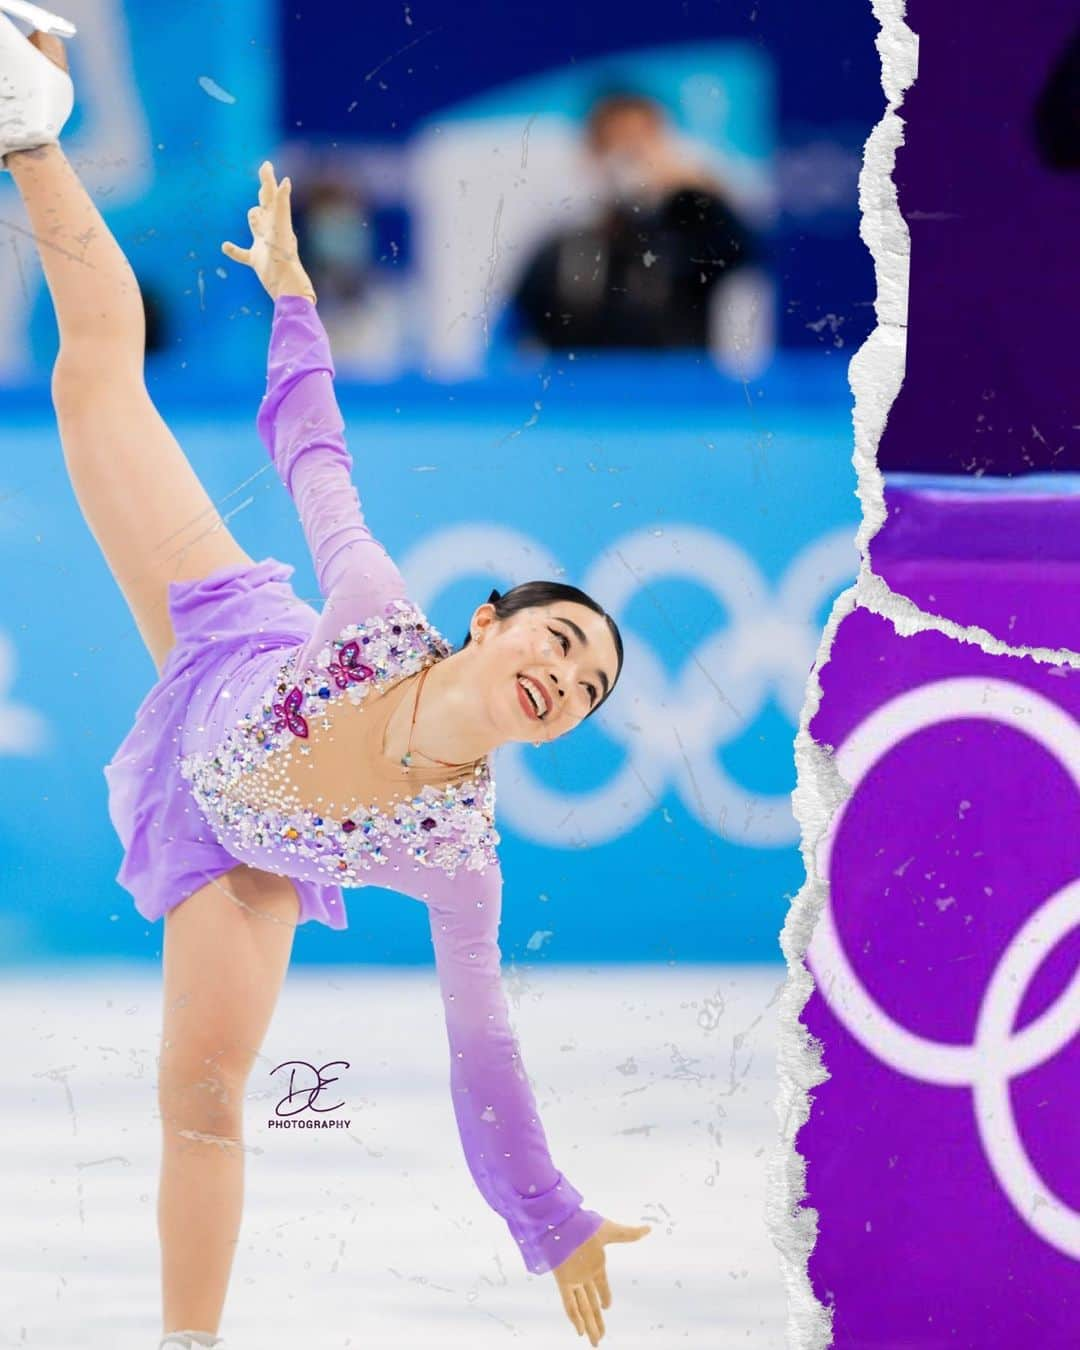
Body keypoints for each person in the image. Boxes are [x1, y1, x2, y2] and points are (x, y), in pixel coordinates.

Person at [0, 10, 651, 1349]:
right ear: (491, 623)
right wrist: (296, 304)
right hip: (222, 643)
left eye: (586, 686)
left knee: (203, 1096)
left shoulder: (461, 858)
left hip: (244, 843)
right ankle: (26, 130)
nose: (563, 675)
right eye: (559, 638)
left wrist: (551, 1214)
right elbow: (315, 450)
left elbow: (488, 1065)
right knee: (94, 385)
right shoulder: (370, 611)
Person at [508, 90, 760, 351]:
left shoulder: (689, 241)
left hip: (674, 389)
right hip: (584, 390)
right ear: (591, 154)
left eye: (641, 145)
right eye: (614, 144)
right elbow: (513, 343)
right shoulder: (560, 251)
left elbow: (746, 250)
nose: (628, 160)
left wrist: (694, 188)